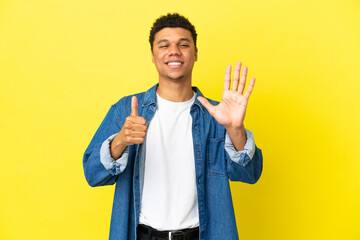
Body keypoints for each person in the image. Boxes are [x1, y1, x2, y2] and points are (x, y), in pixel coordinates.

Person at [83, 13, 263, 240]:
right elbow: (92, 174)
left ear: (195, 53)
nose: (174, 51)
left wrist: (236, 129)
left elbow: (250, 174)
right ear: (153, 55)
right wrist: (120, 141)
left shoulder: (217, 115)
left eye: (183, 44)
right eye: (164, 45)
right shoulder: (126, 110)